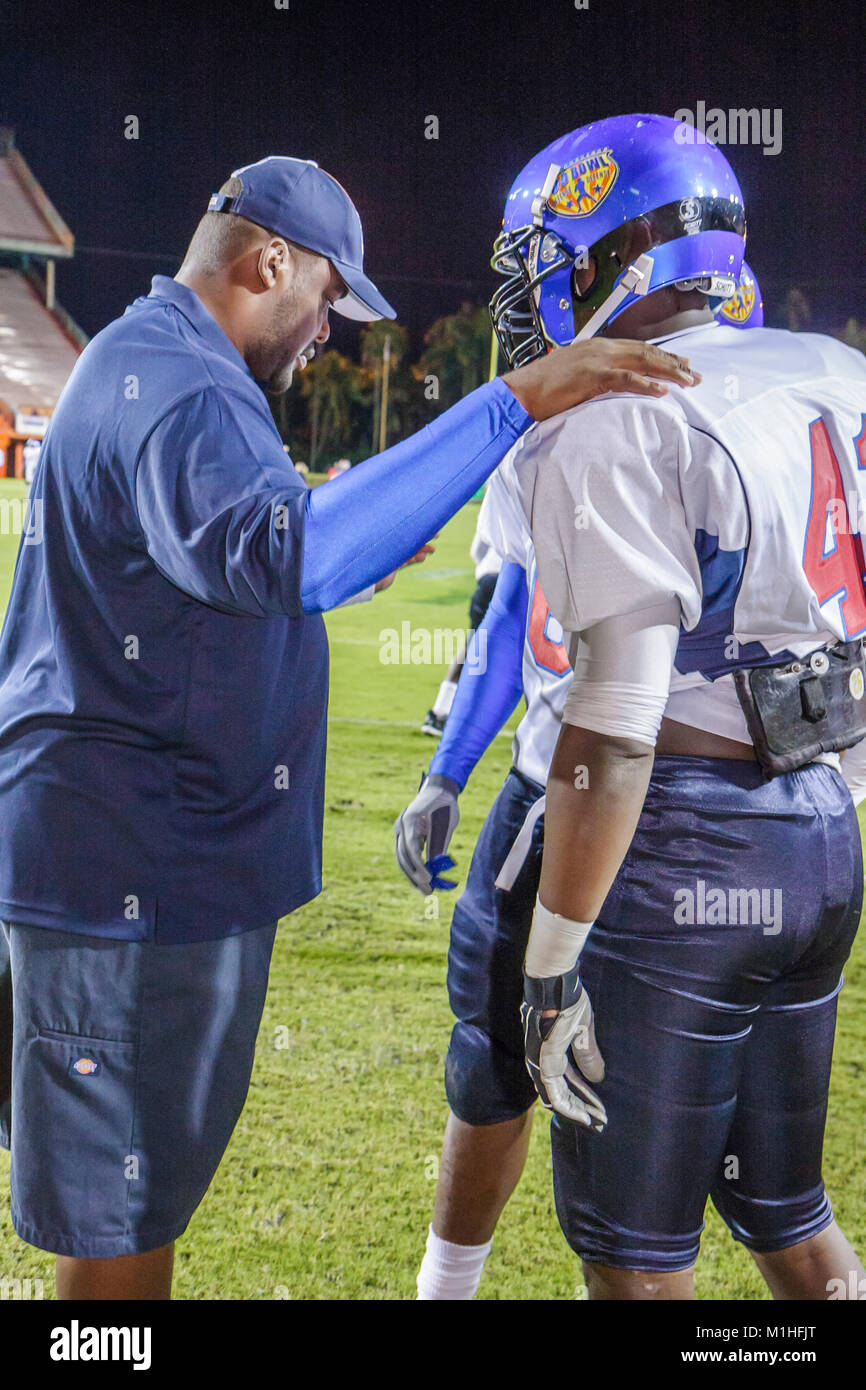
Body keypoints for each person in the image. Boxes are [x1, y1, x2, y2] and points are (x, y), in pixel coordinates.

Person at [0, 152, 695, 1301]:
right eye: (328, 297)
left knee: (136, 1198)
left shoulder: (164, 362)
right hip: (124, 873)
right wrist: (514, 397)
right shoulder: (173, 376)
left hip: (133, 860)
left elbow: (242, 565)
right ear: (270, 259)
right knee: (117, 1217)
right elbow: (302, 553)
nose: (328, 328)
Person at [501, 113, 866, 1299]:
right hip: (819, 830)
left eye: (553, 260)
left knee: (636, 1257)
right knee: (786, 1214)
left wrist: (549, 962)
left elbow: (611, 722)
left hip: (680, 851)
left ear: (624, 252)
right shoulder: (828, 370)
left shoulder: (614, 414)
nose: (537, 292)